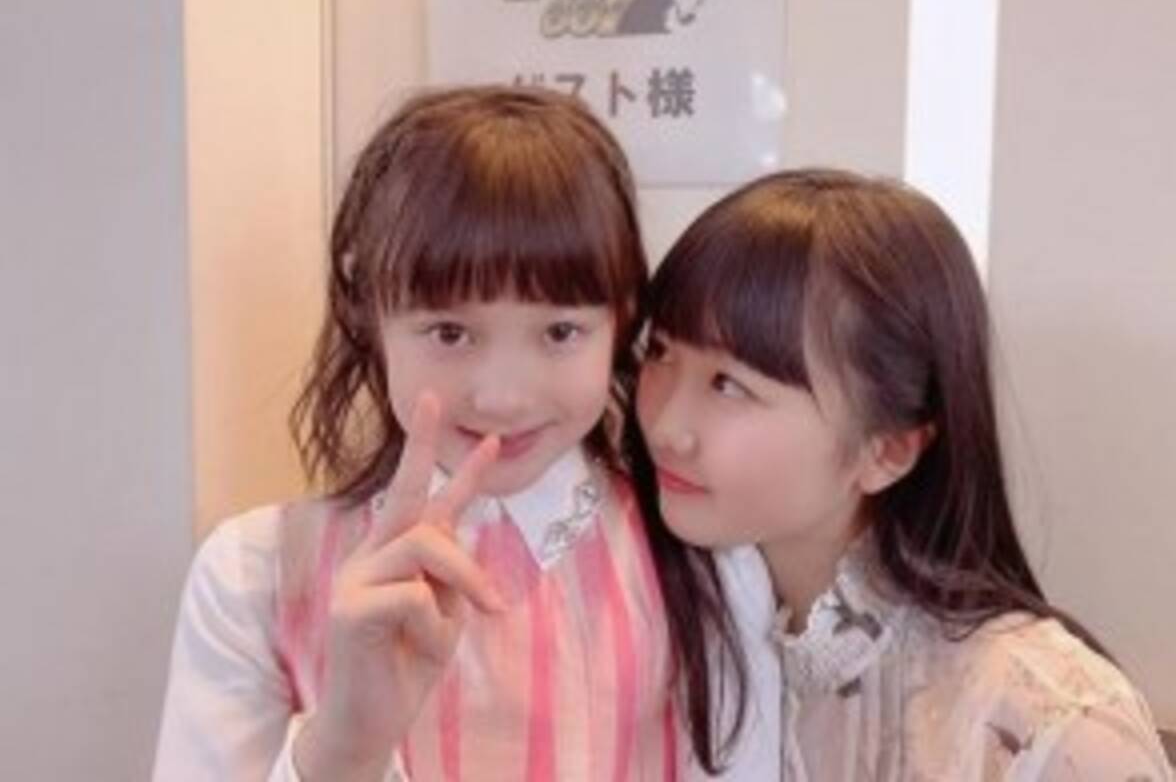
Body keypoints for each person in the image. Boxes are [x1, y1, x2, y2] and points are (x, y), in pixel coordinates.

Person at [153, 85, 777, 781]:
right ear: (367, 308)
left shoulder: (707, 567)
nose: (502, 396)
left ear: (622, 315)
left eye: (560, 332)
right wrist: (346, 745)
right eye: (450, 332)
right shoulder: (256, 575)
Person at [634, 168, 1172, 780]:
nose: (666, 425)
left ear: (887, 451)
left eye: (729, 385)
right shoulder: (673, 629)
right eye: (660, 351)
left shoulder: (1048, 727)